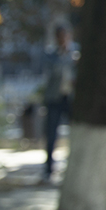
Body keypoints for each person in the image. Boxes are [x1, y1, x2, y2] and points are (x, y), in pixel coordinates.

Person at [41, 25, 77, 182]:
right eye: (60, 36)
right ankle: (48, 169)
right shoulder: (51, 55)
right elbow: (52, 72)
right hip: (54, 99)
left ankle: (74, 167)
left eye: (65, 36)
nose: (63, 39)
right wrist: (65, 57)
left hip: (70, 99)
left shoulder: (76, 53)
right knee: (51, 134)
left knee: (76, 133)